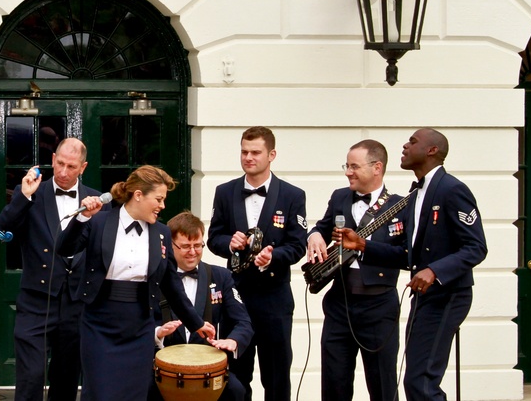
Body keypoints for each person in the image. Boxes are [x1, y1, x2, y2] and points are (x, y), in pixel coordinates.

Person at [334, 128, 487, 401]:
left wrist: (435, 271)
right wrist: (363, 245)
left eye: (413, 142)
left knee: (421, 382)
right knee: (415, 381)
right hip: (425, 297)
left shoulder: (452, 189)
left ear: (432, 151)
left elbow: (476, 247)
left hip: (448, 295)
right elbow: (408, 255)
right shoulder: (415, 195)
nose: (405, 146)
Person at [58, 165, 216, 401]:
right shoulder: (99, 222)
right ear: (139, 195)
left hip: (140, 326)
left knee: (134, 394)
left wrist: (196, 322)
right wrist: (82, 217)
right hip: (99, 323)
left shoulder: (162, 233)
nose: (163, 206)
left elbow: (171, 285)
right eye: (159, 199)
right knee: (101, 393)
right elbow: (64, 248)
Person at [0, 138, 101, 401]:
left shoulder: (98, 202)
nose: (63, 172)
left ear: (83, 167)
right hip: (36, 300)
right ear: (53, 159)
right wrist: (24, 196)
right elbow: (2, 228)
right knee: (31, 377)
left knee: (66, 379)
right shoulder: (32, 193)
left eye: (71, 166)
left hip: (76, 303)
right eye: (60, 163)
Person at [208, 126, 307, 401]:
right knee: (236, 376)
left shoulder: (292, 195)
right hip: (236, 298)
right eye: (244, 152)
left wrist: (273, 256)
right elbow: (214, 238)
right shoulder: (225, 191)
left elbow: (297, 245)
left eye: (255, 152)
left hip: (274, 297)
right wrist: (230, 243)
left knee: (276, 376)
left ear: (271, 155)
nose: (248, 157)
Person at [306, 139, 404, 401]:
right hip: (340, 303)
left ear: (377, 168)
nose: (348, 172)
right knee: (334, 384)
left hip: (379, 305)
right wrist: (314, 236)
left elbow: (406, 256)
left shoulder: (400, 205)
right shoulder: (339, 197)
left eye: (354, 166)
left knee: (382, 385)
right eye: (346, 166)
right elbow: (321, 227)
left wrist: (364, 246)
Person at [151, 210, 253, 401]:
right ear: (170, 245)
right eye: (185, 246)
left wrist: (233, 341)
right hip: (163, 370)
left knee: (237, 391)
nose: (192, 252)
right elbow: (137, 323)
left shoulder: (221, 277)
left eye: (197, 245)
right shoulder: (154, 278)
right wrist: (158, 333)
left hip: (209, 371)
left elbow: (243, 322)